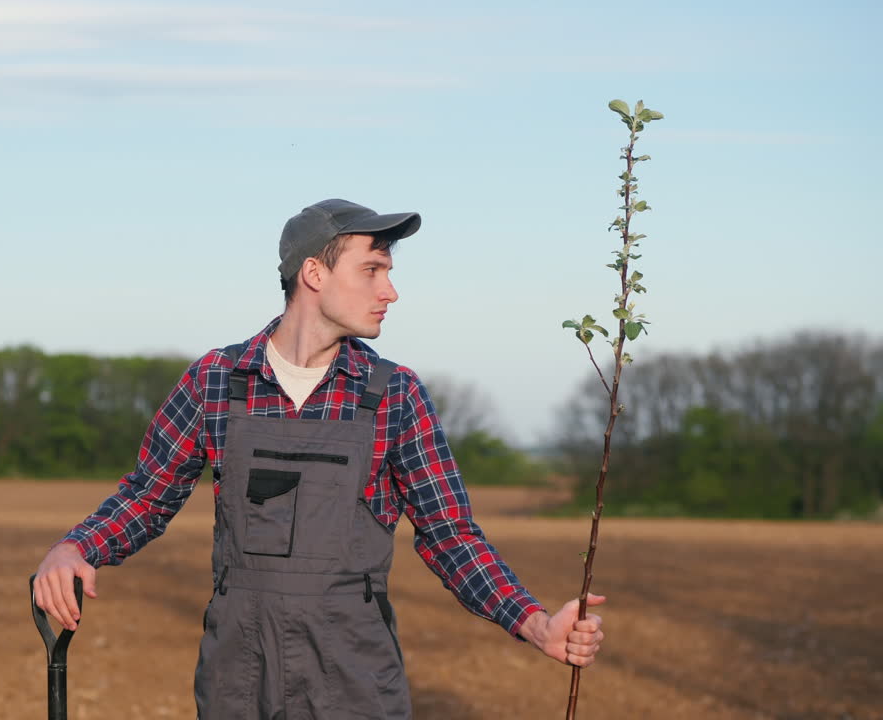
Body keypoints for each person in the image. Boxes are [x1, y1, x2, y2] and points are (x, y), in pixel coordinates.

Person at [33, 199, 605, 719]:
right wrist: (76, 547)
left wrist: (534, 623)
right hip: (239, 674)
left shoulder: (393, 394)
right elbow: (148, 495)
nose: (390, 291)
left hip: (353, 677)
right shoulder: (216, 381)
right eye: (372, 270)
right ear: (314, 273)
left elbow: (449, 533)